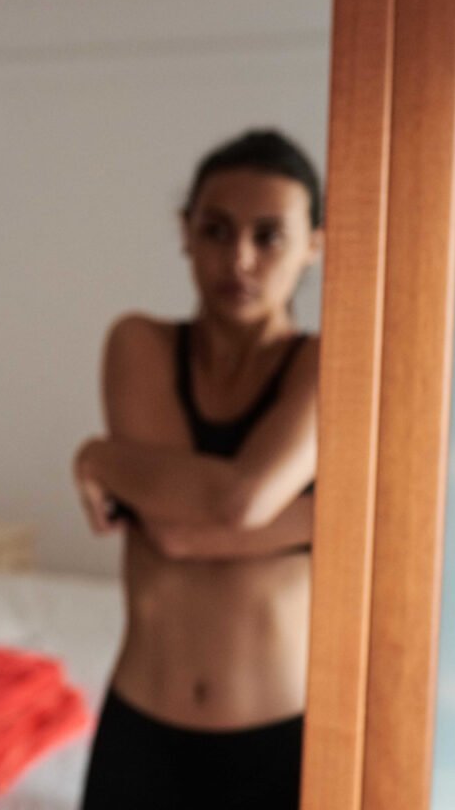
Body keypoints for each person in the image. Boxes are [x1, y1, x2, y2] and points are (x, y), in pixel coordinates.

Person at [73, 129, 324, 809]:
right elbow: (173, 531)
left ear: (314, 244)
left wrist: (102, 457)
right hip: (142, 737)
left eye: (269, 235)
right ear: (186, 232)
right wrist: (319, 521)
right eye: (216, 229)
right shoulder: (141, 343)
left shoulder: (327, 365)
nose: (238, 257)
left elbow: (235, 502)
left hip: (280, 744)